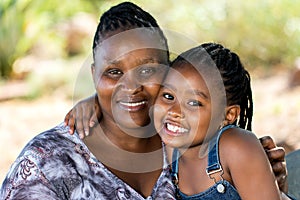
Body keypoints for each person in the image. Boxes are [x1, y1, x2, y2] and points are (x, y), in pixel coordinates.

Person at [1, 2, 290, 200]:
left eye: (148, 71)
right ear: (94, 75)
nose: (131, 87)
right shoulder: (48, 161)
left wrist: (267, 178)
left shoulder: (180, 138)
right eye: (113, 73)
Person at [153, 42, 280, 199]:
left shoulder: (235, 146)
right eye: (168, 96)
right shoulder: (169, 153)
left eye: (193, 103)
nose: (174, 112)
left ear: (228, 115)